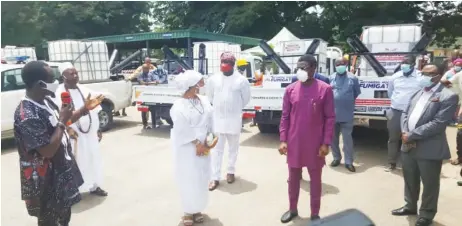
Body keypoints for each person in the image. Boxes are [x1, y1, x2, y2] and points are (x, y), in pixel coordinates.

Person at [14, 61, 89, 226]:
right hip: (45, 180)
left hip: (61, 172)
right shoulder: (27, 114)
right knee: (49, 221)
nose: (56, 82)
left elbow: (62, 122)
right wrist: (62, 121)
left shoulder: (46, 100)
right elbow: (47, 151)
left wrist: (81, 111)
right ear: (41, 84)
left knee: (64, 216)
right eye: (52, 78)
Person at [392, 63, 458, 226]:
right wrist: (405, 131)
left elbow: (439, 123)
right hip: (408, 145)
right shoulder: (417, 92)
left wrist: (412, 135)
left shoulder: (448, 96)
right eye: (422, 73)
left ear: (437, 76)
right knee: (410, 179)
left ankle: (426, 214)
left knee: (429, 183)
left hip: (429, 147)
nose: (422, 77)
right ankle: (410, 206)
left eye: (427, 74)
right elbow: (405, 113)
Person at [279, 54, 335, 223]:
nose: (300, 71)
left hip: (315, 144)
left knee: (315, 180)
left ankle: (315, 213)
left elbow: (330, 118)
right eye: (299, 67)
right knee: (293, 178)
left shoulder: (325, 89)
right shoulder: (290, 90)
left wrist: (326, 142)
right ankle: (293, 209)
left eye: (304, 67)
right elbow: (285, 117)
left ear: (314, 69)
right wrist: (283, 139)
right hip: (294, 142)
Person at [54, 63, 108, 196]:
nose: (75, 76)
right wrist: (67, 129)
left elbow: (96, 111)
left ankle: (94, 185)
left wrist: (98, 129)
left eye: (76, 73)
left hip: (89, 133)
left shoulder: (84, 90)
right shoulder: (60, 93)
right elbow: (59, 116)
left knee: (93, 159)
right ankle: (75, 190)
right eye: (71, 74)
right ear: (64, 76)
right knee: (77, 162)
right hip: (74, 135)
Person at [170, 70, 214, 226]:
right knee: (188, 177)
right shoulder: (178, 106)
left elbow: (210, 119)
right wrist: (197, 144)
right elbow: (182, 128)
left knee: (201, 177)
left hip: (203, 144)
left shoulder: (204, 100)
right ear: (191, 86)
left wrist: (210, 138)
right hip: (188, 147)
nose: (201, 86)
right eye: (198, 83)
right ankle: (188, 211)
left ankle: (198, 209)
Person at [207, 52, 251, 191]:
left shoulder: (241, 80)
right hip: (218, 120)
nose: (224, 66)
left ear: (233, 65)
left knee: (233, 148)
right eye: (223, 63)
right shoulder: (213, 79)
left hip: (233, 119)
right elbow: (210, 97)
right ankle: (215, 177)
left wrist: (234, 108)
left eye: (228, 63)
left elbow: (246, 98)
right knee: (216, 149)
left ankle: (230, 171)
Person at [386, 55, 422, 171]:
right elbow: (390, 92)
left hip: (412, 112)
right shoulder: (395, 77)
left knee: (410, 138)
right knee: (393, 138)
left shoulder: (420, 77)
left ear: (413, 65)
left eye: (407, 64)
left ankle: (409, 164)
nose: (404, 66)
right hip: (395, 111)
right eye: (403, 64)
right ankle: (391, 162)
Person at [329, 57, 361, 172]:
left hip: (347, 115)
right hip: (332, 115)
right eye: (337, 64)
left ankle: (348, 162)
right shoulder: (331, 78)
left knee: (347, 140)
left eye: (342, 64)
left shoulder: (353, 78)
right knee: (333, 139)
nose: (340, 66)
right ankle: (336, 158)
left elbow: (356, 93)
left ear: (346, 65)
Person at [137, 64, 159, 129]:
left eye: (148, 68)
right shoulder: (140, 75)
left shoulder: (151, 74)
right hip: (143, 95)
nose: (147, 70)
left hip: (151, 95)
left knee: (153, 110)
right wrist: (151, 83)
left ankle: (154, 124)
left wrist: (154, 82)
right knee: (144, 110)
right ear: (143, 69)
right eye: (145, 68)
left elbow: (156, 81)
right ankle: (145, 124)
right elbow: (142, 82)